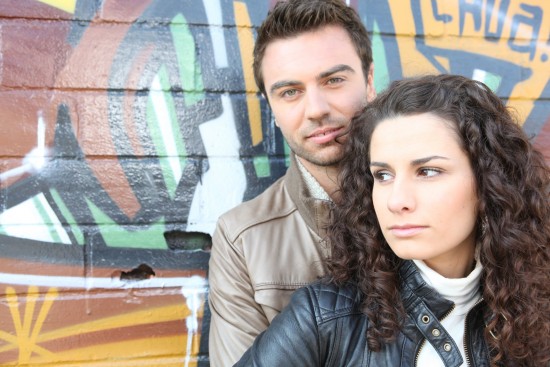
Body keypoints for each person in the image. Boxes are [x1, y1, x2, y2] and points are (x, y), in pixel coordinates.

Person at [235, 74, 550, 366]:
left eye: (427, 172)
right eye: (382, 175)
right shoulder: (324, 317)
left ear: (488, 184)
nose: (397, 200)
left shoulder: (535, 310)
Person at [208, 0, 376, 365]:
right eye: (290, 91)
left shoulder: (432, 201)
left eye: (333, 80)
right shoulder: (242, 238)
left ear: (369, 80)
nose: (316, 108)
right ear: (272, 106)